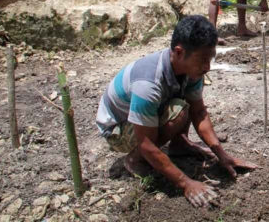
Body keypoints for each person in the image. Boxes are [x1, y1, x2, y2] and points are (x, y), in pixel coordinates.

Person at [96, 15, 257, 208]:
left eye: (210, 59)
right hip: (118, 129)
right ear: (179, 52)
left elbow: (198, 112)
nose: (208, 67)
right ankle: (133, 158)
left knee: (184, 105)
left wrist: (221, 154)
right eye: (203, 60)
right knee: (178, 111)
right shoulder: (148, 83)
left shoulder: (191, 69)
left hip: (146, 115)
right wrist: (186, 183)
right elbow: (146, 143)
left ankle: (179, 144)